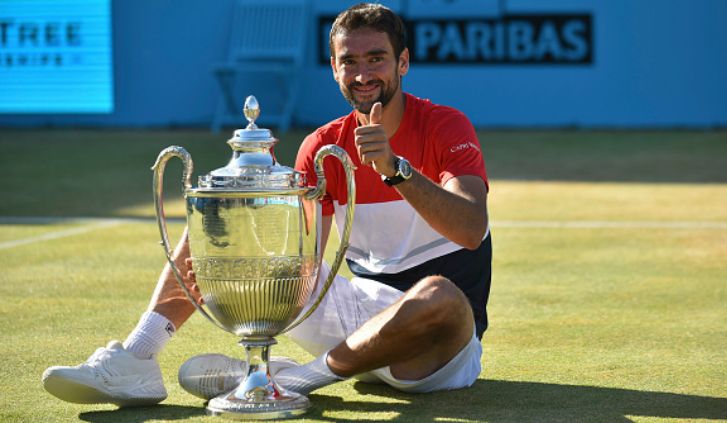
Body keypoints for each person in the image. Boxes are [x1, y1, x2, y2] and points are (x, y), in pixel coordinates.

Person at [42, 2, 492, 406]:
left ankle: (288, 383)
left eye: (376, 58)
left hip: (441, 345)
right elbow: (306, 265)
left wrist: (395, 169)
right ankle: (138, 357)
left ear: (403, 62)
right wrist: (240, 214)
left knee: (441, 296)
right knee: (223, 212)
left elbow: (471, 227)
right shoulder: (322, 146)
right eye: (348, 61)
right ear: (334, 70)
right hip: (357, 320)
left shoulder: (446, 126)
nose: (362, 74)